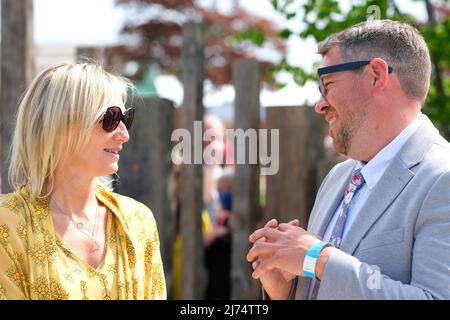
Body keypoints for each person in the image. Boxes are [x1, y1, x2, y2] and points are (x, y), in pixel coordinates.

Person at [247, 19, 450, 299]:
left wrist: (318, 259)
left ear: (376, 75)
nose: (320, 104)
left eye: (327, 84)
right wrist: (285, 291)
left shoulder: (443, 178)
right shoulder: (338, 177)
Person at [0, 63, 166, 300]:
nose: (124, 134)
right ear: (58, 125)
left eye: (126, 118)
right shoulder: (8, 225)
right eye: (111, 117)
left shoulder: (138, 220)